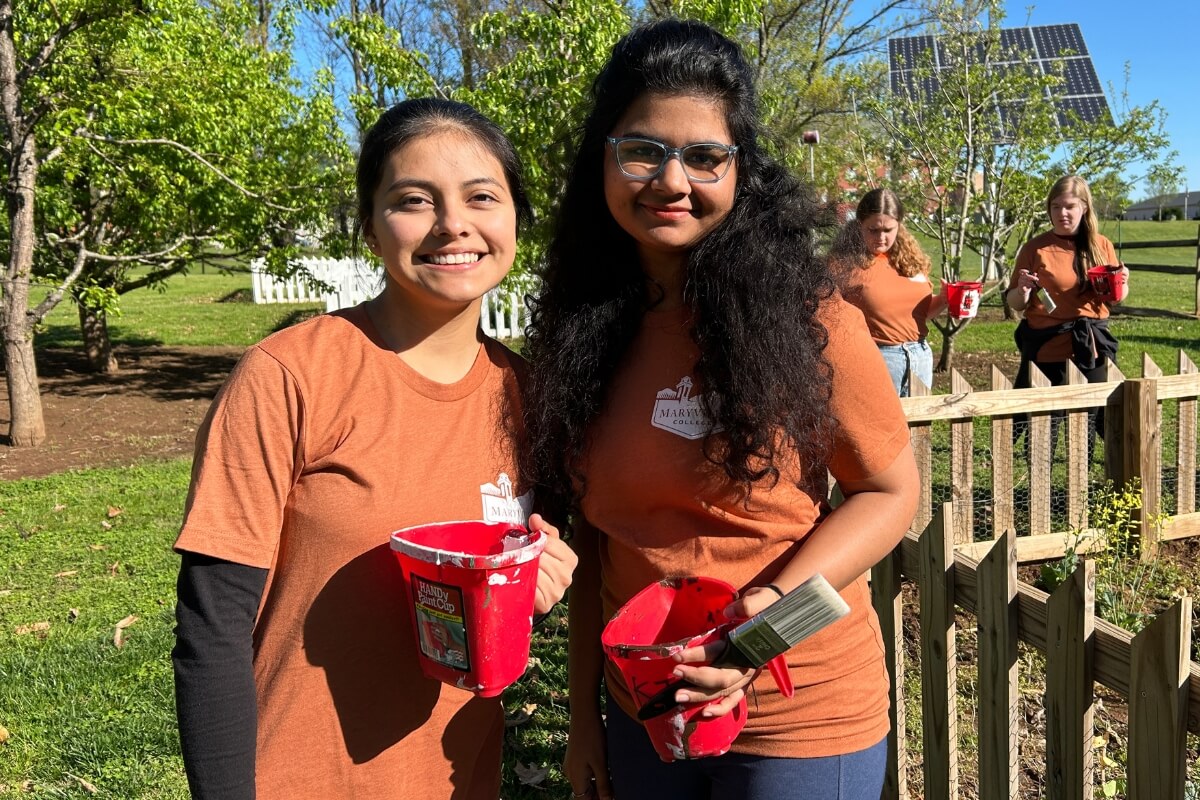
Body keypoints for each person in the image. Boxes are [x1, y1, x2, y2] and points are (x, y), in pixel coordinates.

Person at [521, 20, 920, 800]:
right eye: (642, 151)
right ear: (603, 160)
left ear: (742, 171)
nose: (672, 181)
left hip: (798, 720)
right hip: (643, 714)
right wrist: (585, 720)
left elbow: (890, 493)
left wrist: (759, 630)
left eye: (705, 156)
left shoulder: (810, 319)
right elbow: (599, 541)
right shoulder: (581, 333)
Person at [171, 98, 577, 799]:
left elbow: (515, 567)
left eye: (482, 197)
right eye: (414, 200)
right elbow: (211, 627)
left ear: (516, 218)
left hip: (457, 779)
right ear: (369, 226)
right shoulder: (291, 375)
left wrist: (536, 575)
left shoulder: (532, 396)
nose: (453, 224)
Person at [1007, 174, 1128, 442]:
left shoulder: (1101, 245)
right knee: (1043, 429)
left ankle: (1085, 469)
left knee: (1090, 424)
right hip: (1047, 349)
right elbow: (1015, 303)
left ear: (1084, 207)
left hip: (1091, 347)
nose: (1062, 213)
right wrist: (1023, 290)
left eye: (1070, 206)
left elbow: (1115, 299)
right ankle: (1039, 472)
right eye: (1056, 206)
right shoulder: (1035, 248)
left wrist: (1122, 283)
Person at [828, 187, 947, 396]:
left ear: (899, 226)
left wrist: (945, 299)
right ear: (859, 225)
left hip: (919, 355)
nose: (881, 238)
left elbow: (919, 315)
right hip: (876, 358)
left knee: (918, 419)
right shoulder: (843, 266)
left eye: (888, 230)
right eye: (873, 230)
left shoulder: (910, 261)